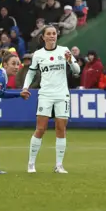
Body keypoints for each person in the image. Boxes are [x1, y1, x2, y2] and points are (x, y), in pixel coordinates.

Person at [22, 25, 80, 174]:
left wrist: (70, 62)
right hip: (46, 94)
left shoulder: (64, 51)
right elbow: (31, 73)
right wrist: (25, 87)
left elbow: (77, 71)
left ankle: (59, 165)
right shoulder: (38, 54)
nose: (52, 36)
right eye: (49, 34)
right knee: (41, 129)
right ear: (43, 37)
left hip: (62, 95)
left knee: (61, 128)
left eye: (54, 33)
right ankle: (31, 163)